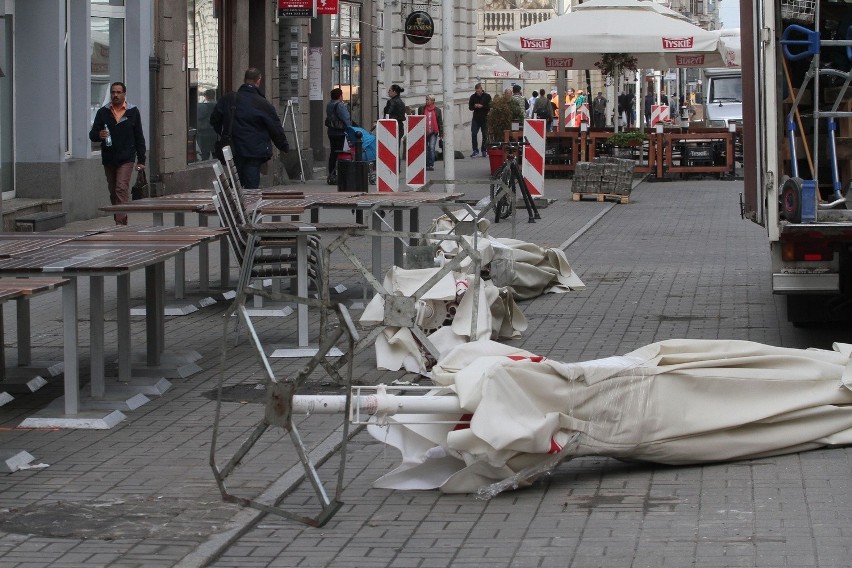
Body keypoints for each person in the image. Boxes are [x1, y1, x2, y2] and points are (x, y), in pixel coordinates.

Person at [210, 67, 289, 189]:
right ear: (258, 81)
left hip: (233, 147)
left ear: (245, 80)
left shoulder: (229, 99)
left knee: (235, 179)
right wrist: (283, 145)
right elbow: (275, 127)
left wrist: (224, 134)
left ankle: (235, 205)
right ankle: (249, 205)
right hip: (254, 149)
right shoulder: (263, 103)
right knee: (251, 181)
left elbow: (214, 120)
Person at [88, 81, 146, 225]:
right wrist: (99, 135)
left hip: (126, 158)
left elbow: (139, 136)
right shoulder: (103, 112)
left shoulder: (133, 112)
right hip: (109, 158)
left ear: (124, 94)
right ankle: (121, 217)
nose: (115, 95)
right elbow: (92, 134)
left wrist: (141, 160)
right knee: (114, 191)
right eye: (113, 92)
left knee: (121, 188)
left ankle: (120, 225)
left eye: (118, 92)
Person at [325, 87, 352, 183]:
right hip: (339, 132)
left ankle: (331, 173)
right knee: (341, 153)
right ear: (340, 96)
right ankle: (340, 174)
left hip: (331, 132)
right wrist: (350, 128)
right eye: (342, 95)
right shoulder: (340, 105)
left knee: (333, 153)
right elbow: (345, 118)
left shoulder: (329, 104)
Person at [417, 94, 443, 171]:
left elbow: (440, 122)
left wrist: (441, 133)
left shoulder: (437, 110)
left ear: (432, 101)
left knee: (431, 148)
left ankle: (430, 165)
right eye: (426, 99)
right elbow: (419, 119)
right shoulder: (422, 108)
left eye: (428, 99)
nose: (426, 101)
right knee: (425, 148)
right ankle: (425, 164)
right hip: (424, 131)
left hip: (433, 132)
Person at [468, 83, 491, 157]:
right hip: (476, 118)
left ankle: (484, 149)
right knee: (474, 134)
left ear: (481, 89)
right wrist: (475, 106)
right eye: (476, 91)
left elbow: (490, 106)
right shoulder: (473, 97)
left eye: (479, 91)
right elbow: (470, 107)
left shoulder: (487, 96)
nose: (478, 93)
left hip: (485, 118)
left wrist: (482, 106)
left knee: (485, 134)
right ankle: (475, 150)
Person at [196, 89, 217, 161]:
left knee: (205, 153)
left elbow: (199, 116)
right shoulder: (218, 105)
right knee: (215, 152)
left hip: (204, 132)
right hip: (215, 132)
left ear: (206, 96)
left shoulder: (203, 106)